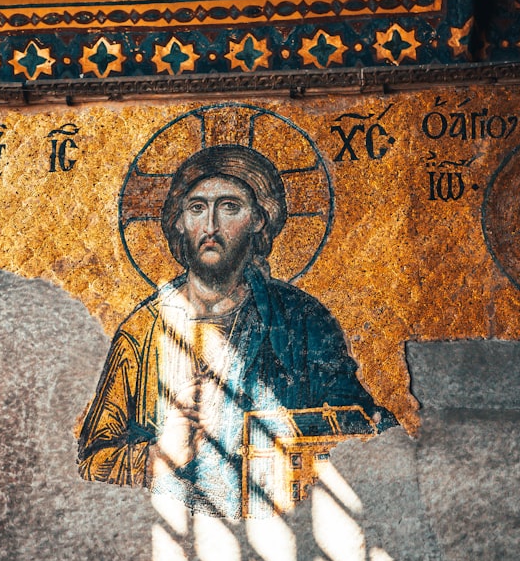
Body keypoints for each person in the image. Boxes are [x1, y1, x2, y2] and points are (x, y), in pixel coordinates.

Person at [77, 144, 396, 518]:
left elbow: (360, 424)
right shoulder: (143, 332)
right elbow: (90, 460)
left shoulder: (302, 320)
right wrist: (159, 455)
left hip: (280, 529)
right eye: (197, 208)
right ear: (179, 221)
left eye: (229, 207)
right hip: (173, 532)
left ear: (260, 219)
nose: (210, 226)